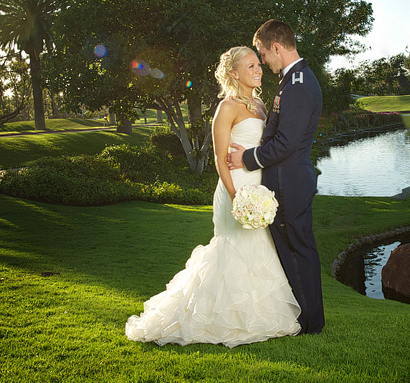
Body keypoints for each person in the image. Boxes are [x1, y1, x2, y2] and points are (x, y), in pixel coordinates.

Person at [125, 46, 301, 347]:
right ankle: (218, 320)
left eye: (259, 64)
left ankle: (259, 316)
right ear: (234, 73)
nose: (258, 70)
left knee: (260, 250)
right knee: (233, 250)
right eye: (250, 66)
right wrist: (237, 198)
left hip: (260, 188)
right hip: (237, 189)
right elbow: (221, 160)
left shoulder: (260, 104)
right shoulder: (227, 107)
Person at [226, 19, 325, 334]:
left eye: (263, 54)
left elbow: (286, 143)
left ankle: (308, 322)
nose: (263, 61)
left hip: (288, 180)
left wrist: (246, 157)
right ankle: (305, 318)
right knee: (296, 249)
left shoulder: (297, 83)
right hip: (290, 178)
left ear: (276, 47)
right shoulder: (294, 79)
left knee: (297, 252)